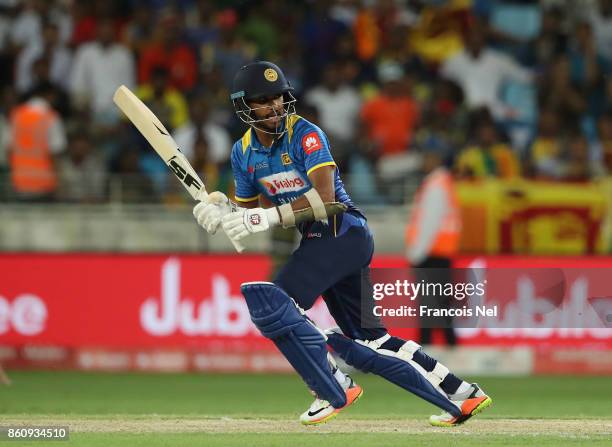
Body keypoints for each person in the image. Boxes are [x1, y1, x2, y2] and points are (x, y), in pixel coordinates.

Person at [192, 61, 492, 426]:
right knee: (374, 342)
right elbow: (245, 215)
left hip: (342, 231)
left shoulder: (305, 134)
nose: (273, 107)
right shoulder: (242, 153)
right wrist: (221, 210)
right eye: (262, 100)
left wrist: (268, 217)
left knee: (273, 302)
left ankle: (332, 384)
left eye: (277, 98)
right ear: (244, 107)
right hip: (324, 241)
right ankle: (462, 393)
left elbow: (327, 197)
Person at [405, 151, 461, 346]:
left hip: (432, 253)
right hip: (440, 251)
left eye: (427, 157)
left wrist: (417, 253)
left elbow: (429, 223)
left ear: (436, 160)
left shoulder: (435, 186)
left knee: (430, 304)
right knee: (438, 303)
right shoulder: (442, 184)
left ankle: (431, 345)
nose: (424, 161)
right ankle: (448, 345)